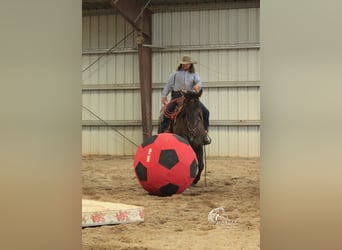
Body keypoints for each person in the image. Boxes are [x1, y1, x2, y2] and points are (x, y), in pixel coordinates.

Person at [160, 55, 211, 145]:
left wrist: (197, 86)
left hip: (191, 96)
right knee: (167, 112)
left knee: (206, 112)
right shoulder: (174, 74)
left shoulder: (195, 74)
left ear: (190, 64)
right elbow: (168, 85)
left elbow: (199, 83)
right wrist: (164, 96)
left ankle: (204, 133)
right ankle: (164, 132)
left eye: (187, 64)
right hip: (177, 95)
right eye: (183, 64)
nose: (185, 66)